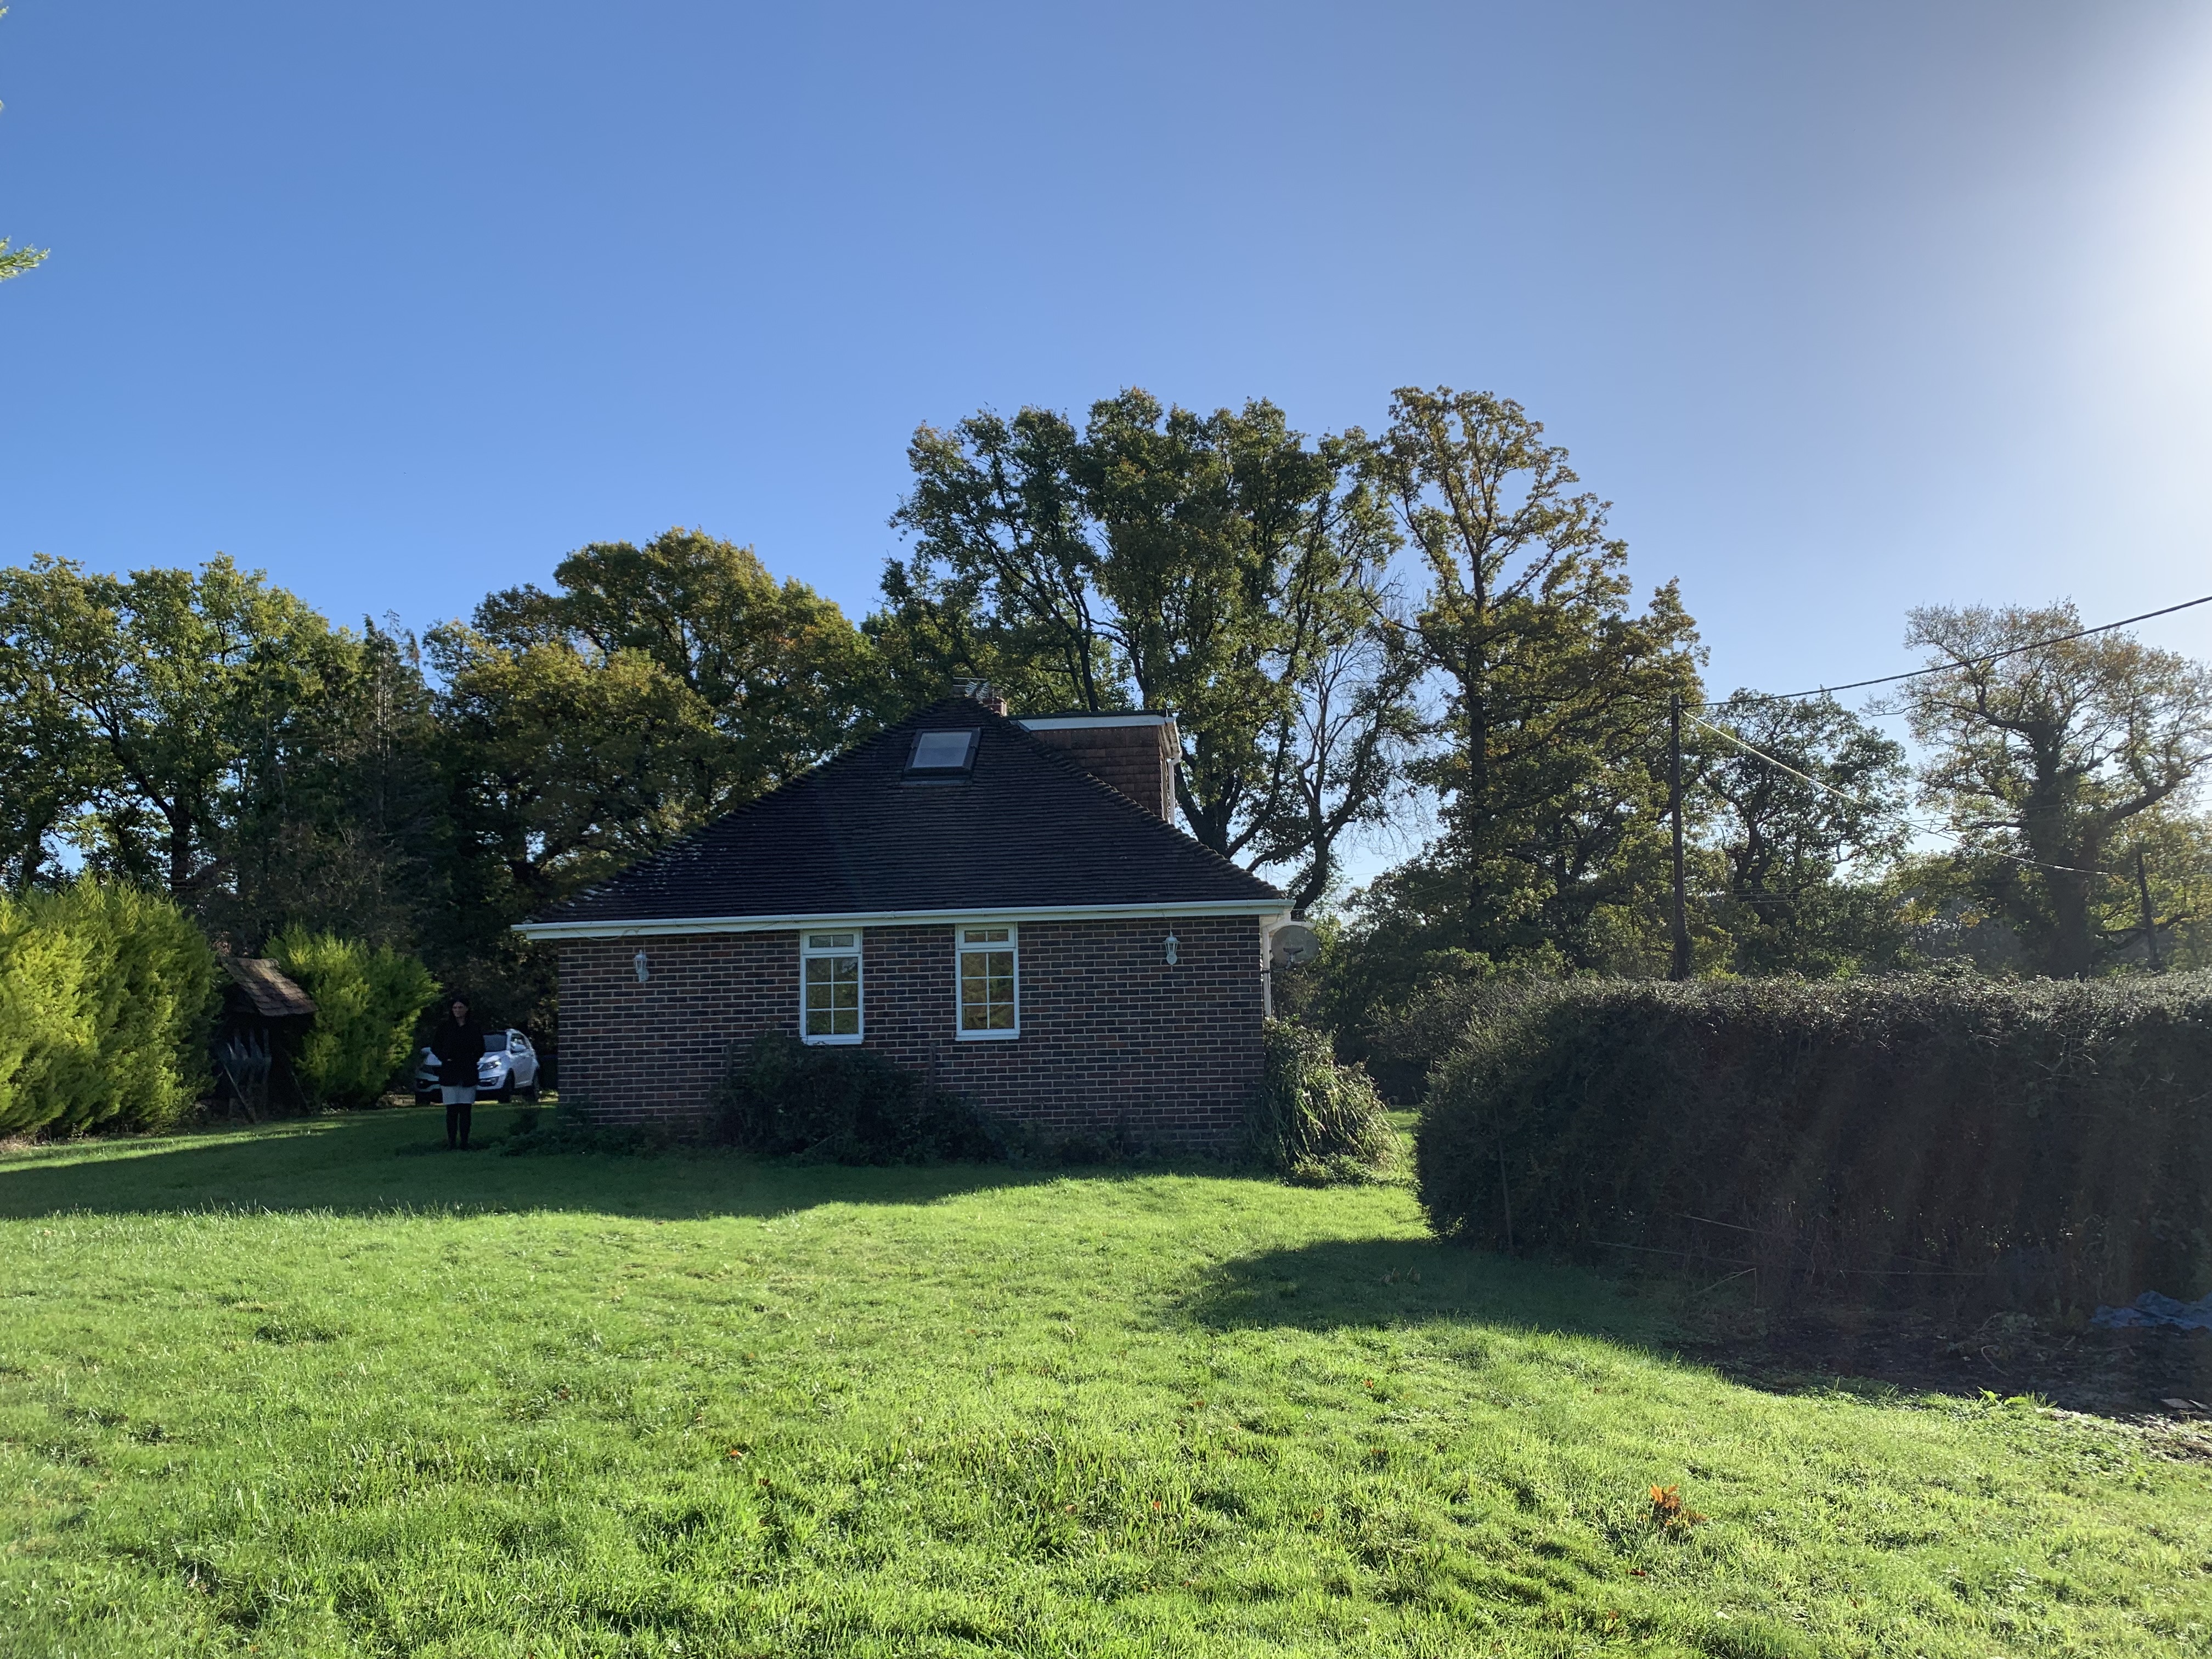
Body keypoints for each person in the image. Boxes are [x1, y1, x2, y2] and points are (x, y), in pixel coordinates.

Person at [428, 995, 486, 1150]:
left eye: (460, 1007)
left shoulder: (474, 1027)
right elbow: (436, 1047)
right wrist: (445, 1058)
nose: (457, 1011)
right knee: (452, 1109)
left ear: (467, 1009)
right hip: (450, 1071)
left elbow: (481, 1047)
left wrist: (472, 1059)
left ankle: (465, 1143)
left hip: (467, 1071)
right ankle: (452, 1142)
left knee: (466, 1109)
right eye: (455, 1008)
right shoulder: (445, 1028)